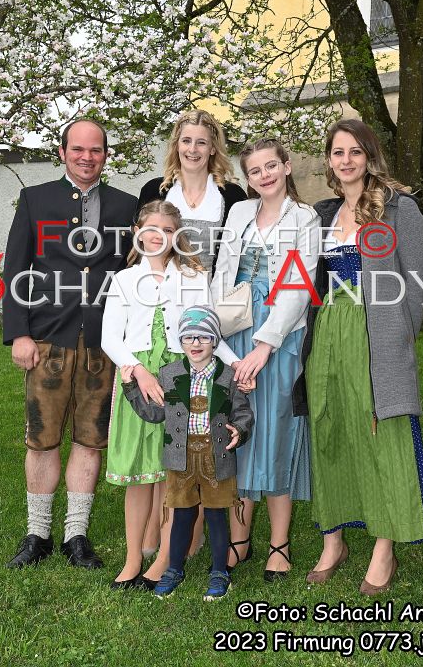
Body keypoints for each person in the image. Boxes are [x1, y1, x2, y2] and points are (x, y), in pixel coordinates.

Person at [293, 119, 423, 595]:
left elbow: (417, 284)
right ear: (329, 161)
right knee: (329, 428)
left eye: (355, 151)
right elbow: (304, 278)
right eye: (338, 152)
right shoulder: (323, 213)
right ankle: (333, 541)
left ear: (370, 156)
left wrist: (398, 337)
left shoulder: (399, 208)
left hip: (374, 332)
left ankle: (384, 547)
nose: (347, 160)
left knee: (381, 432)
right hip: (327, 331)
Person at [3, 118, 137, 569]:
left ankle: (75, 535)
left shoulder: (126, 206)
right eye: (78, 149)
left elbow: (133, 273)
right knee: (42, 439)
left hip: (103, 341)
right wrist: (19, 332)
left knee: (90, 439)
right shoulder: (35, 199)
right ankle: (37, 534)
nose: (86, 157)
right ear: (62, 152)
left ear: (105, 155)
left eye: (95, 150)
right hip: (47, 338)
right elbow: (15, 268)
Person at [100, 201, 245, 589]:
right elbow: (110, 337)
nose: (158, 236)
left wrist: (238, 366)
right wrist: (139, 372)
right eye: (151, 228)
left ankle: (165, 557)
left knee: (173, 471)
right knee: (138, 476)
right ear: (137, 232)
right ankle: (133, 558)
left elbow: (209, 333)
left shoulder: (193, 278)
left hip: (180, 379)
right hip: (138, 376)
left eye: (167, 230)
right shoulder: (124, 280)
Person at [211, 137, 320, 581]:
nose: (264, 175)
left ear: (286, 166)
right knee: (237, 428)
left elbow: (299, 285)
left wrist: (264, 346)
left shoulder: (305, 217)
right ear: (248, 178)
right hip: (236, 328)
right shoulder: (239, 212)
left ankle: (279, 543)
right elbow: (222, 272)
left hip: (279, 334)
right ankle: (239, 539)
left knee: (275, 431)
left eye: (271, 166)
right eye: (254, 171)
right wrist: (219, 337)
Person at [120, 306, 254, 600]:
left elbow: (243, 414)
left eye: (204, 337)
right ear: (180, 341)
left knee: (216, 515)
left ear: (215, 341)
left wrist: (239, 430)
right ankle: (173, 569)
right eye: (189, 337)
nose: (196, 343)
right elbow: (154, 413)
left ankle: (219, 572)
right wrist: (131, 389)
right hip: (180, 458)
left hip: (216, 457)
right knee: (181, 514)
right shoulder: (169, 375)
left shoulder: (229, 376)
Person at [137, 108, 246, 273]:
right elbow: (139, 249)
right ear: (177, 145)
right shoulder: (154, 191)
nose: (192, 149)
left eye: (201, 142)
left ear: (213, 148)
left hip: (214, 287)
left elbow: (240, 254)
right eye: (186, 141)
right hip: (161, 286)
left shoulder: (232, 195)